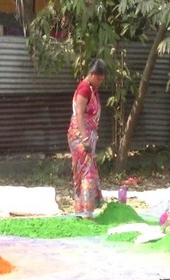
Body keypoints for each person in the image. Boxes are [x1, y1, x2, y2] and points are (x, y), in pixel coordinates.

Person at [67, 58, 107, 219]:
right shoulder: (84, 88)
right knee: (87, 173)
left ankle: (81, 211)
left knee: (85, 171)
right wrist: (84, 139)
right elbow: (79, 114)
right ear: (91, 74)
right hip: (80, 136)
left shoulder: (92, 89)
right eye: (98, 79)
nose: (100, 82)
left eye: (102, 80)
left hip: (87, 136)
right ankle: (86, 212)